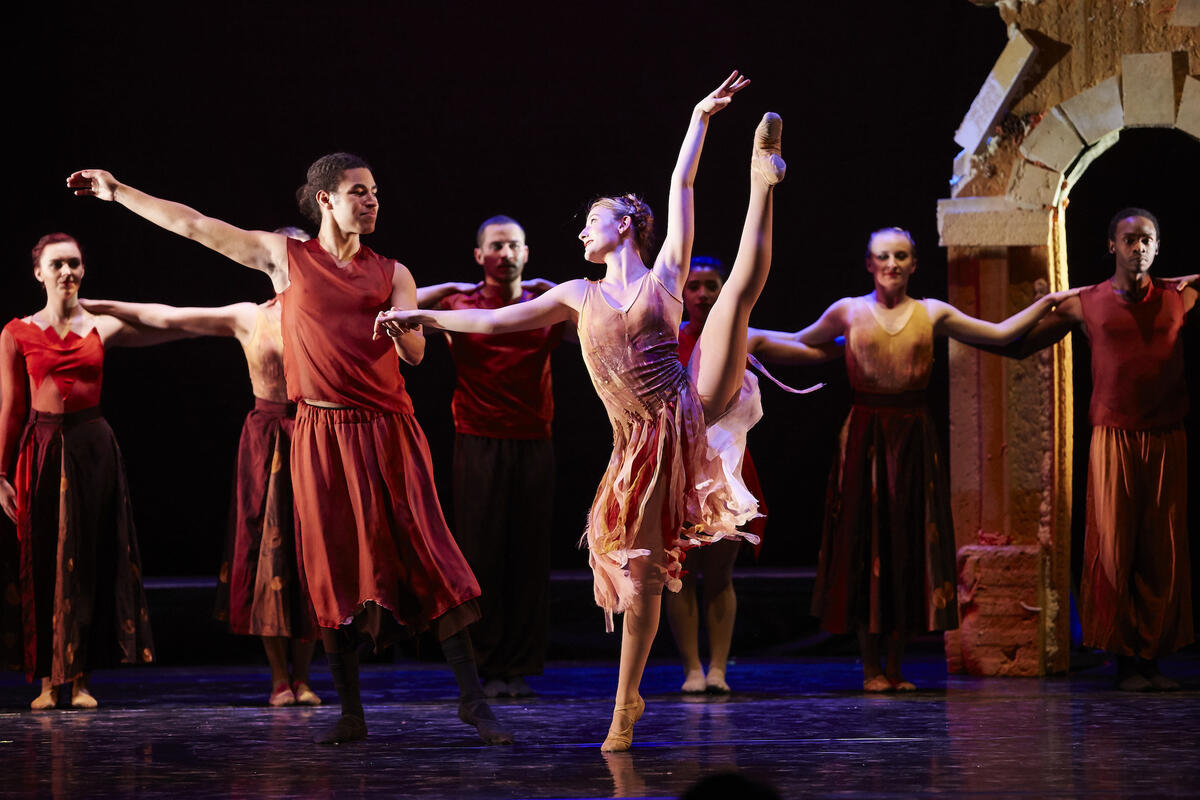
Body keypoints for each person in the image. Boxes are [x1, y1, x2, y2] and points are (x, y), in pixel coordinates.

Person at [378, 71, 781, 750]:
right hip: (635, 446)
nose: (581, 234)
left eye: (592, 222)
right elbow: (494, 323)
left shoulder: (666, 276)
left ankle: (761, 181)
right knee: (642, 578)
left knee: (736, 296)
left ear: (623, 226)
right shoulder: (574, 295)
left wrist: (699, 118)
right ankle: (628, 706)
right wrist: (423, 316)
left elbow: (681, 185)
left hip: (689, 407)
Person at [67, 155, 511, 745]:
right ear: (325, 199)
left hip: (387, 431)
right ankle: (350, 713)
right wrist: (119, 191)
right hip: (320, 433)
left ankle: (473, 700)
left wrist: (401, 328)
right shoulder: (287, 258)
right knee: (331, 564)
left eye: (375, 192)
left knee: (428, 551)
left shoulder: (393, 272)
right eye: (359, 192)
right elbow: (196, 226)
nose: (372, 201)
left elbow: (416, 356)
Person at [767, 227, 1078, 691]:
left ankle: (895, 667)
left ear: (914, 264)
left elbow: (1000, 335)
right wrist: (742, 334)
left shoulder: (932, 312)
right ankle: (871, 669)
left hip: (913, 437)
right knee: (865, 544)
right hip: (866, 437)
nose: (891, 264)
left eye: (900, 256)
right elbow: (800, 342)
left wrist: (1051, 302)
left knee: (909, 545)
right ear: (869, 263)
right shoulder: (849, 311)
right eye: (883, 256)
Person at [79, 227, 321, 709]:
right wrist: (100, 305)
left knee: (310, 557)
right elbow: (171, 317)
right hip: (267, 440)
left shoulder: (326, 317)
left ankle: (305, 676)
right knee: (268, 556)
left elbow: (397, 298)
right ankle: (280, 679)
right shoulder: (250, 317)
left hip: (314, 436)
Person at [994, 209, 1194, 690]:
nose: (1138, 248)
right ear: (1112, 246)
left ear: (1158, 246)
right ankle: (1124, 661)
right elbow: (1016, 346)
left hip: (1166, 439)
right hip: (1113, 439)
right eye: (1129, 239)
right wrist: (1047, 302)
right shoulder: (1086, 304)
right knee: (1113, 550)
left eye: (1147, 240)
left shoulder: (1179, 297)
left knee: (1162, 552)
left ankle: (1152, 660)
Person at [0, 233, 170, 709]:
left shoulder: (101, 327)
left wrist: (107, 305)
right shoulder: (17, 332)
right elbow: (10, 408)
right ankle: (47, 681)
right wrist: (0, 474)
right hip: (42, 449)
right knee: (43, 560)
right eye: (56, 264)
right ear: (39, 273)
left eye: (74, 263)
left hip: (93, 449)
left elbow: (164, 322)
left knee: (91, 557)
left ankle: (80, 681)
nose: (66, 272)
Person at [421, 216, 563, 699]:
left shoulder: (545, 305)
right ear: (480, 255)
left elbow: (602, 313)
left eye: (514, 246)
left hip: (533, 440)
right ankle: (483, 665)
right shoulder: (459, 304)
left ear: (527, 253)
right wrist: (450, 286)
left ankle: (518, 665)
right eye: (496, 246)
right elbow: (393, 304)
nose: (505, 254)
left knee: (528, 555)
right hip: (477, 439)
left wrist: (555, 289)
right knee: (480, 553)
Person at [664, 256, 766, 695]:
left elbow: (803, 343)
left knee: (720, 574)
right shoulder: (666, 338)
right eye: (695, 286)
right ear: (682, 293)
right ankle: (692, 669)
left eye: (712, 286)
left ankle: (718, 668)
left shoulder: (741, 334)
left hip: (727, 466)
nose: (703, 294)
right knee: (680, 571)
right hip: (680, 465)